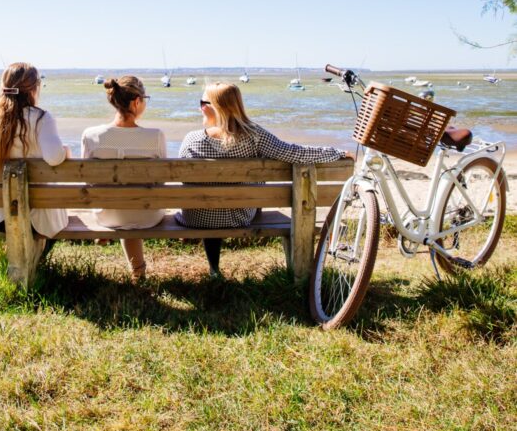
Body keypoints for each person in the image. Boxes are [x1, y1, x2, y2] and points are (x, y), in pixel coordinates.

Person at [177, 82, 351, 276]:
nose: (200, 108)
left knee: (212, 193)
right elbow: (293, 153)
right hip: (239, 217)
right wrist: (336, 153)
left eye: (203, 103)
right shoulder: (254, 135)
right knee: (247, 186)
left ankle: (214, 270)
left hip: (196, 217)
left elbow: (184, 179)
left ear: (217, 107)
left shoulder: (191, 139)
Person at [0, 62, 69, 243]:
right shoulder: (42, 118)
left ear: (3, 85)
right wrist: (65, 151)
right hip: (37, 220)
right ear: (34, 88)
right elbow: (54, 158)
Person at [82, 75, 166, 281]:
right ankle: (138, 271)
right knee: (134, 205)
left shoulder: (91, 135)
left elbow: (88, 180)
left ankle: (137, 269)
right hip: (148, 215)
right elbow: (161, 181)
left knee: (121, 206)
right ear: (136, 102)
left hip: (106, 215)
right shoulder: (155, 136)